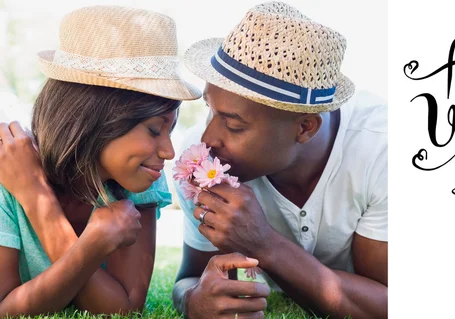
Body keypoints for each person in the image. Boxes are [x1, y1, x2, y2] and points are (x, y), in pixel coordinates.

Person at [172, 2, 388, 318]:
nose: (207, 139)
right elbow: (190, 278)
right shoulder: (202, 160)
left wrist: (264, 244)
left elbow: (384, 305)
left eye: (233, 124)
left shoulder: (380, 152)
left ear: (304, 127)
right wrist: (193, 300)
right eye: (210, 110)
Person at [0, 6, 206, 316]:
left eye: (171, 129)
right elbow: (5, 308)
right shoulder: (9, 171)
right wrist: (33, 196)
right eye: (154, 130)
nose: (168, 151)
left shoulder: (138, 178)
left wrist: (45, 206)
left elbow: (121, 309)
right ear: (93, 120)